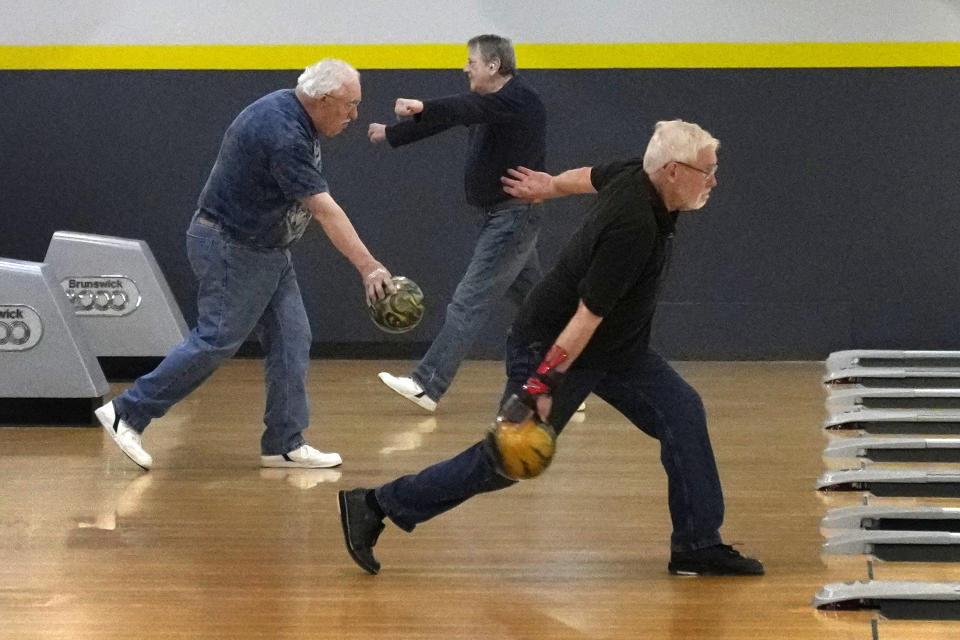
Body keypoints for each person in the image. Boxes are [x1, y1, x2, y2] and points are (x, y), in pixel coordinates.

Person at [338, 120, 764, 577]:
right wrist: (541, 382)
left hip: (616, 351)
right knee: (505, 462)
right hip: (553, 346)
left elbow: (586, 176)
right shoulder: (633, 227)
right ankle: (375, 504)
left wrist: (550, 185)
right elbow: (585, 317)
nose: (714, 181)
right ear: (674, 171)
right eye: (708, 170)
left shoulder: (636, 173)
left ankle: (697, 546)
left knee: (683, 412)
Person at [96, 59, 395, 471]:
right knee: (216, 339)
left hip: (267, 249)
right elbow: (325, 211)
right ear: (323, 99)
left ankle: (284, 442)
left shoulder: (294, 112)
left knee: (292, 339)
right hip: (231, 246)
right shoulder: (283, 132)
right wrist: (369, 266)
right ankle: (127, 411)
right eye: (350, 105)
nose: (354, 115)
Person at [368, 34, 546, 413]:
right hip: (505, 217)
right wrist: (392, 133)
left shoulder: (519, 99)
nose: (465, 67)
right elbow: (453, 117)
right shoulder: (493, 105)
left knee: (468, 301)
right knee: (540, 305)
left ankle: (426, 384)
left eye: (471, 61)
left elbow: (459, 108)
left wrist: (422, 105)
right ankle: (563, 384)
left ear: (494, 66)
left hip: (512, 218)